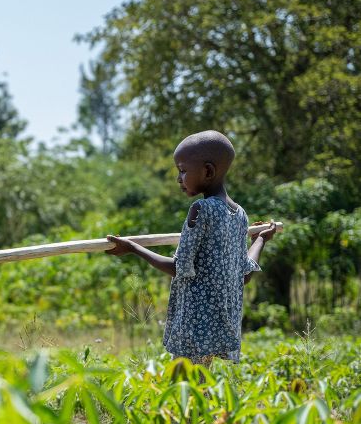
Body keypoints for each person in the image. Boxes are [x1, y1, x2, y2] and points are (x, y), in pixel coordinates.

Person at [105, 130, 277, 366]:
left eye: (183, 170)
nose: (178, 178)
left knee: (184, 387)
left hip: (194, 325)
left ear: (207, 171)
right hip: (218, 327)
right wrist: (261, 240)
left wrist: (132, 248)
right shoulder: (240, 215)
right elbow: (244, 276)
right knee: (202, 386)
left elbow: (178, 267)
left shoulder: (201, 209)